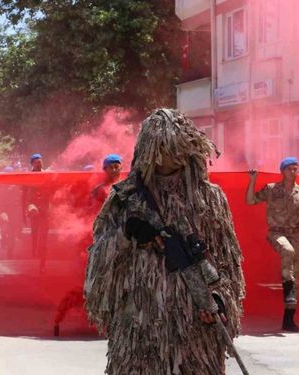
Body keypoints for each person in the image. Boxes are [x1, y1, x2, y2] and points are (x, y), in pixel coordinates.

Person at [84, 109, 245, 374]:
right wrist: (126, 234)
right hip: (140, 329)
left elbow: (227, 261)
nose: (176, 154)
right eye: (168, 146)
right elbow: (97, 264)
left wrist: (219, 298)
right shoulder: (126, 199)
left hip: (194, 333)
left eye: (181, 145)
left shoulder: (209, 198)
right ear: (150, 148)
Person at [245, 157, 299, 332]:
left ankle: (288, 319)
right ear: (282, 171)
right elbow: (250, 201)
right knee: (287, 251)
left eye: (295, 169)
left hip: (297, 234)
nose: (293, 172)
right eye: (289, 169)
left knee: (297, 277)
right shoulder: (272, 189)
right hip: (276, 233)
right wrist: (252, 181)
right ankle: (288, 291)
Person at [53, 153, 124, 336]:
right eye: (112, 166)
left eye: (118, 165)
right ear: (105, 169)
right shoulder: (99, 191)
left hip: (124, 240)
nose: (116, 169)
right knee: (98, 279)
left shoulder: (128, 187)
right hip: (104, 241)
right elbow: (90, 217)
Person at [24, 153, 51, 273]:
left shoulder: (48, 175)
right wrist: (23, 211)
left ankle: (42, 264)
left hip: (45, 208)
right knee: (34, 232)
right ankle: (33, 249)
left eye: (40, 161)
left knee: (43, 238)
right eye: (37, 162)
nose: (39, 164)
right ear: (32, 164)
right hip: (32, 206)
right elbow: (23, 195)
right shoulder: (27, 176)